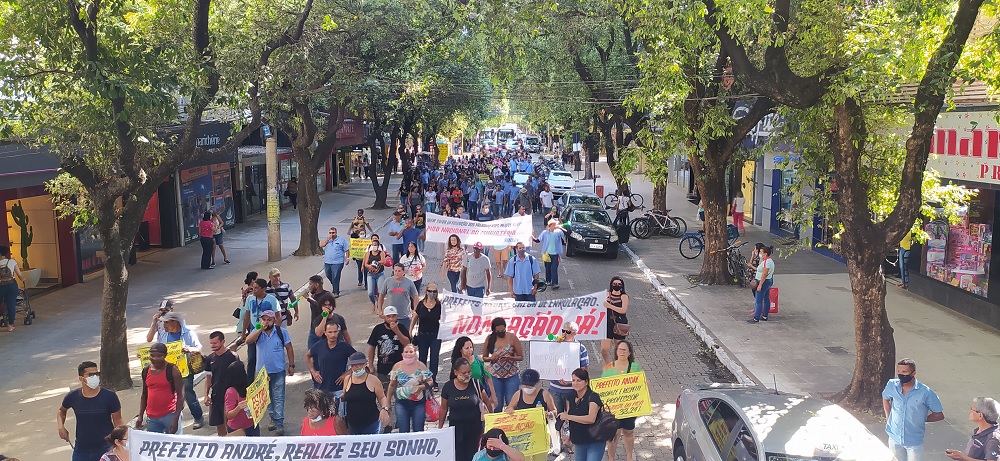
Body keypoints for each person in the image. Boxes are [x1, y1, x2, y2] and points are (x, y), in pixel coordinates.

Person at [145, 308, 204, 429]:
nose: (164, 325)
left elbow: (198, 348)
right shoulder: (163, 334)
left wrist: (189, 349)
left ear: (175, 322)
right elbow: (155, 347)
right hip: (166, 371)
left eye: (167, 322)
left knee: (188, 393)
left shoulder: (188, 333)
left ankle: (198, 416)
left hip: (184, 370)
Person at [58, 361, 123, 461]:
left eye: (96, 374)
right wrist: (61, 427)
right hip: (81, 448)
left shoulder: (110, 396)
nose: (95, 377)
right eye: (91, 375)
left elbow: (118, 421)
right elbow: (61, 411)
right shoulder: (73, 396)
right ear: (81, 378)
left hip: (106, 447)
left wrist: (122, 441)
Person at [882, 358, 945, 461]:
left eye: (904, 372)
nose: (901, 375)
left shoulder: (926, 392)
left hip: (914, 441)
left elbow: (939, 414)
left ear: (913, 373)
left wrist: (921, 418)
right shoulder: (892, 385)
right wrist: (888, 417)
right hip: (894, 437)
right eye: (899, 371)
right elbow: (885, 398)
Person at [246, 310, 295, 435]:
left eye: (269, 320)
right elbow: (248, 341)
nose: (266, 322)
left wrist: (291, 365)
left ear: (274, 321)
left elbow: (289, 348)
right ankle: (273, 418)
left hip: (278, 370)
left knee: (278, 397)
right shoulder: (257, 332)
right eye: (264, 319)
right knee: (266, 398)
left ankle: (279, 423)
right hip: (262, 373)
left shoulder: (281, 332)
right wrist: (259, 329)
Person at [439, 358, 491, 461]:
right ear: (455, 372)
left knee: (473, 456)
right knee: (458, 456)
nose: (467, 375)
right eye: (464, 373)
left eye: (469, 372)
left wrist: (492, 422)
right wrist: (440, 428)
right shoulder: (448, 387)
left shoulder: (475, 384)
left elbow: (487, 403)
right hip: (456, 429)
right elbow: (443, 408)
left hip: (474, 429)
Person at [550, 321, 590, 453]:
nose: (564, 334)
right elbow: (546, 358)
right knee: (558, 416)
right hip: (555, 388)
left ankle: (570, 441)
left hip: (572, 390)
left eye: (567, 332)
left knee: (571, 416)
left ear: (574, 333)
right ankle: (559, 443)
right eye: (563, 331)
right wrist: (553, 344)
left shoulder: (580, 348)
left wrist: (570, 382)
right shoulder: (555, 344)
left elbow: (584, 370)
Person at [503, 369, 556, 461]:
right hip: (523, 434)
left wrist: (549, 414)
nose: (527, 387)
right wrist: (510, 409)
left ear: (536, 384)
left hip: (540, 432)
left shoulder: (545, 395)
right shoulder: (518, 394)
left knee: (540, 458)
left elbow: (554, 411)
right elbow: (509, 408)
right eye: (525, 385)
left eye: (530, 385)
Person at [603, 341, 642, 461]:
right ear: (616, 352)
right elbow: (603, 388)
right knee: (613, 435)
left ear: (629, 353)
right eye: (620, 349)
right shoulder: (609, 367)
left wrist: (645, 384)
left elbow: (641, 385)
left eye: (624, 350)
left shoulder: (634, 367)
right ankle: (611, 458)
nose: (622, 352)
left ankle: (629, 457)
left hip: (629, 407)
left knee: (628, 432)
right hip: (613, 408)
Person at [137, 342, 185, 434]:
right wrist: (140, 415)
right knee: (155, 445)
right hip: (152, 418)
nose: (155, 359)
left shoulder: (173, 370)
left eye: (159, 356)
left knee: (175, 444)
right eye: (152, 356)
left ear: (165, 355)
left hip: (170, 415)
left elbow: (181, 395)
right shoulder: (146, 371)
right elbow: (144, 394)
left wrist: (176, 419)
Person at [387, 344, 435, 432]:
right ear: (402, 354)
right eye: (406, 352)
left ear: (415, 354)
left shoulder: (421, 366)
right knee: (403, 431)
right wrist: (388, 402)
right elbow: (392, 385)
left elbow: (430, 381)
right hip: (401, 403)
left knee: (418, 430)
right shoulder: (397, 366)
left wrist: (421, 387)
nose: (409, 354)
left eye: (411, 352)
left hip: (418, 403)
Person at [558, 368, 604, 461]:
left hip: (594, 441)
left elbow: (591, 419)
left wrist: (568, 416)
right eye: (573, 380)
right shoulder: (570, 396)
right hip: (579, 441)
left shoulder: (593, 397)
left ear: (586, 382)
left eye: (579, 380)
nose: (575, 383)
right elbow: (572, 421)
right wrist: (569, 438)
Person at [342, 352, 391, 435]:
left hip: (371, 423)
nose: (355, 367)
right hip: (352, 423)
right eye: (353, 365)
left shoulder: (373, 380)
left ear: (365, 364)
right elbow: (344, 394)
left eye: (358, 365)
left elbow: (382, 397)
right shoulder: (347, 379)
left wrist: (384, 409)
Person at [307, 320, 356, 397]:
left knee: (340, 409)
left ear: (338, 332)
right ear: (325, 332)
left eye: (335, 332)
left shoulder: (345, 347)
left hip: (340, 389)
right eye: (330, 332)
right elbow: (307, 356)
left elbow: (358, 361)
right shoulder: (319, 345)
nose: (333, 335)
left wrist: (347, 373)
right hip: (323, 388)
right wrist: (313, 371)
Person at [483, 317, 524, 412]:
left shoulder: (512, 337)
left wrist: (510, 358)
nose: (501, 333)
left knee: (511, 403)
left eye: (503, 330)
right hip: (495, 376)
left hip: (511, 375)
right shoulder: (490, 339)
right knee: (497, 404)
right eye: (498, 331)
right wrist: (491, 358)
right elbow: (484, 357)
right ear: (494, 330)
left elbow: (521, 356)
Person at [240, 278, 280, 374]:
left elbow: (278, 317)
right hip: (254, 330)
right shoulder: (250, 299)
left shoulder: (272, 300)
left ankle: (267, 376)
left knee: (265, 356)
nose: (254, 290)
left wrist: (276, 332)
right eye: (253, 288)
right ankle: (250, 383)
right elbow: (247, 316)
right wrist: (243, 332)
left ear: (264, 289)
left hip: (267, 332)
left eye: (256, 288)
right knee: (251, 358)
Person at [203, 331, 239, 436]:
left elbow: (239, 376)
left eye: (215, 343)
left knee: (232, 423)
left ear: (223, 342)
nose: (212, 346)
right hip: (216, 395)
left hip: (231, 395)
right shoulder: (209, 359)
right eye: (211, 343)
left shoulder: (233, 356)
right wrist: (206, 395)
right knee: (219, 423)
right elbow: (208, 378)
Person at [411, 284, 442, 389]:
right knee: (422, 358)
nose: (432, 293)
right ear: (426, 291)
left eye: (434, 291)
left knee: (434, 358)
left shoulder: (439, 305)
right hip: (423, 336)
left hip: (435, 336)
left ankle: (433, 380)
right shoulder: (421, 304)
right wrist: (410, 331)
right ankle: (422, 379)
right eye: (430, 291)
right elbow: (415, 317)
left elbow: (445, 319)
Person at [367, 305, 412, 378]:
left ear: (397, 316)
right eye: (388, 316)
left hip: (400, 367)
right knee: (384, 388)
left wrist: (397, 331)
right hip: (383, 368)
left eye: (393, 316)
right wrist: (371, 365)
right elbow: (372, 347)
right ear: (384, 317)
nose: (391, 319)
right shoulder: (378, 329)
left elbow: (407, 343)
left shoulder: (402, 328)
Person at [377, 263, 420, 330]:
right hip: (390, 316)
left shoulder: (409, 283)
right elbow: (381, 295)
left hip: (404, 316)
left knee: (405, 336)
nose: (397, 273)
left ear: (403, 272)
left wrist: (415, 310)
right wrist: (380, 309)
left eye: (399, 271)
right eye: (395, 271)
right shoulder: (387, 281)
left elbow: (415, 297)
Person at [223, 360, 259, 436]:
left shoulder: (249, 385)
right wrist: (239, 407)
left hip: (252, 425)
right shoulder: (231, 392)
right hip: (237, 430)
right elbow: (229, 415)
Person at [602, 276, 630, 363]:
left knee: (618, 347)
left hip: (620, 323)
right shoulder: (606, 294)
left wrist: (609, 306)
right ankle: (607, 364)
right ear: (611, 285)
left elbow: (623, 310)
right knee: (604, 348)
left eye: (619, 284)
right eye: (614, 284)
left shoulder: (624, 296)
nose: (616, 285)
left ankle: (618, 364)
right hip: (607, 323)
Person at [321, 226, 351, 297]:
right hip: (327, 262)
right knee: (328, 275)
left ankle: (336, 292)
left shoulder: (341, 240)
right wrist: (327, 240)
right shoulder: (327, 240)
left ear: (336, 233)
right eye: (330, 233)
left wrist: (347, 258)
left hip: (338, 262)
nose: (332, 234)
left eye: (333, 233)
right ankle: (335, 285)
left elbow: (346, 250)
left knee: (336, 276)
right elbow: (321, 245)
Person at [748, 246, 775, 323]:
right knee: (766, 298)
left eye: (761, 252)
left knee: (758, 300)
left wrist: (760, 285)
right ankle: (765, 315)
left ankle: (756, 317)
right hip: (767, 281)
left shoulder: (767, 262)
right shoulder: (767, 261)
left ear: (765, 254)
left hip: (763, 281)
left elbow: (764, 274)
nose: (759, 254)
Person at [536, 219, 565, 289]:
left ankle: (555, 283)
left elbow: (565, 234)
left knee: (554, 269)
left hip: (555, 254)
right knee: (548, 268)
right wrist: (532, 238)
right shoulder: (545, 233)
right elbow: (538, 240)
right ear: (549, 226)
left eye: (555, 225)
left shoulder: (558, 232)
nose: (554, 226)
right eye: (553, 225)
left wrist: (561, 228)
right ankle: (548, 280)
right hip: (547, 254)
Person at [365, 234, 388, 307]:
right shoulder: (369, 253)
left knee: (380, 292)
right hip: (370, 274)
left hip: (380, 274)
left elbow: (383, 261)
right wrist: (370, 266)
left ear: (378, 246)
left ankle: (379, 304)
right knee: (370, 293)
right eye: (373, 245)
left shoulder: (381, 253)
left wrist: (376, 262)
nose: (374, 246)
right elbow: (366, 263)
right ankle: (373, 302)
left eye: (375, 245)